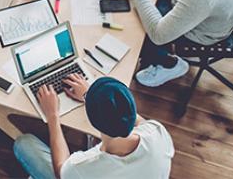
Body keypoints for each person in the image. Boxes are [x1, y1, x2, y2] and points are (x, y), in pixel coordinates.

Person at [14, 76, 174, 178]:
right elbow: (129, 115)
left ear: (93, 120)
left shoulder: (85, 168)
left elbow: (61, 171)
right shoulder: (157, 132)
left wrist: (53, 116)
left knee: (24, 143)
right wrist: (89, 95)